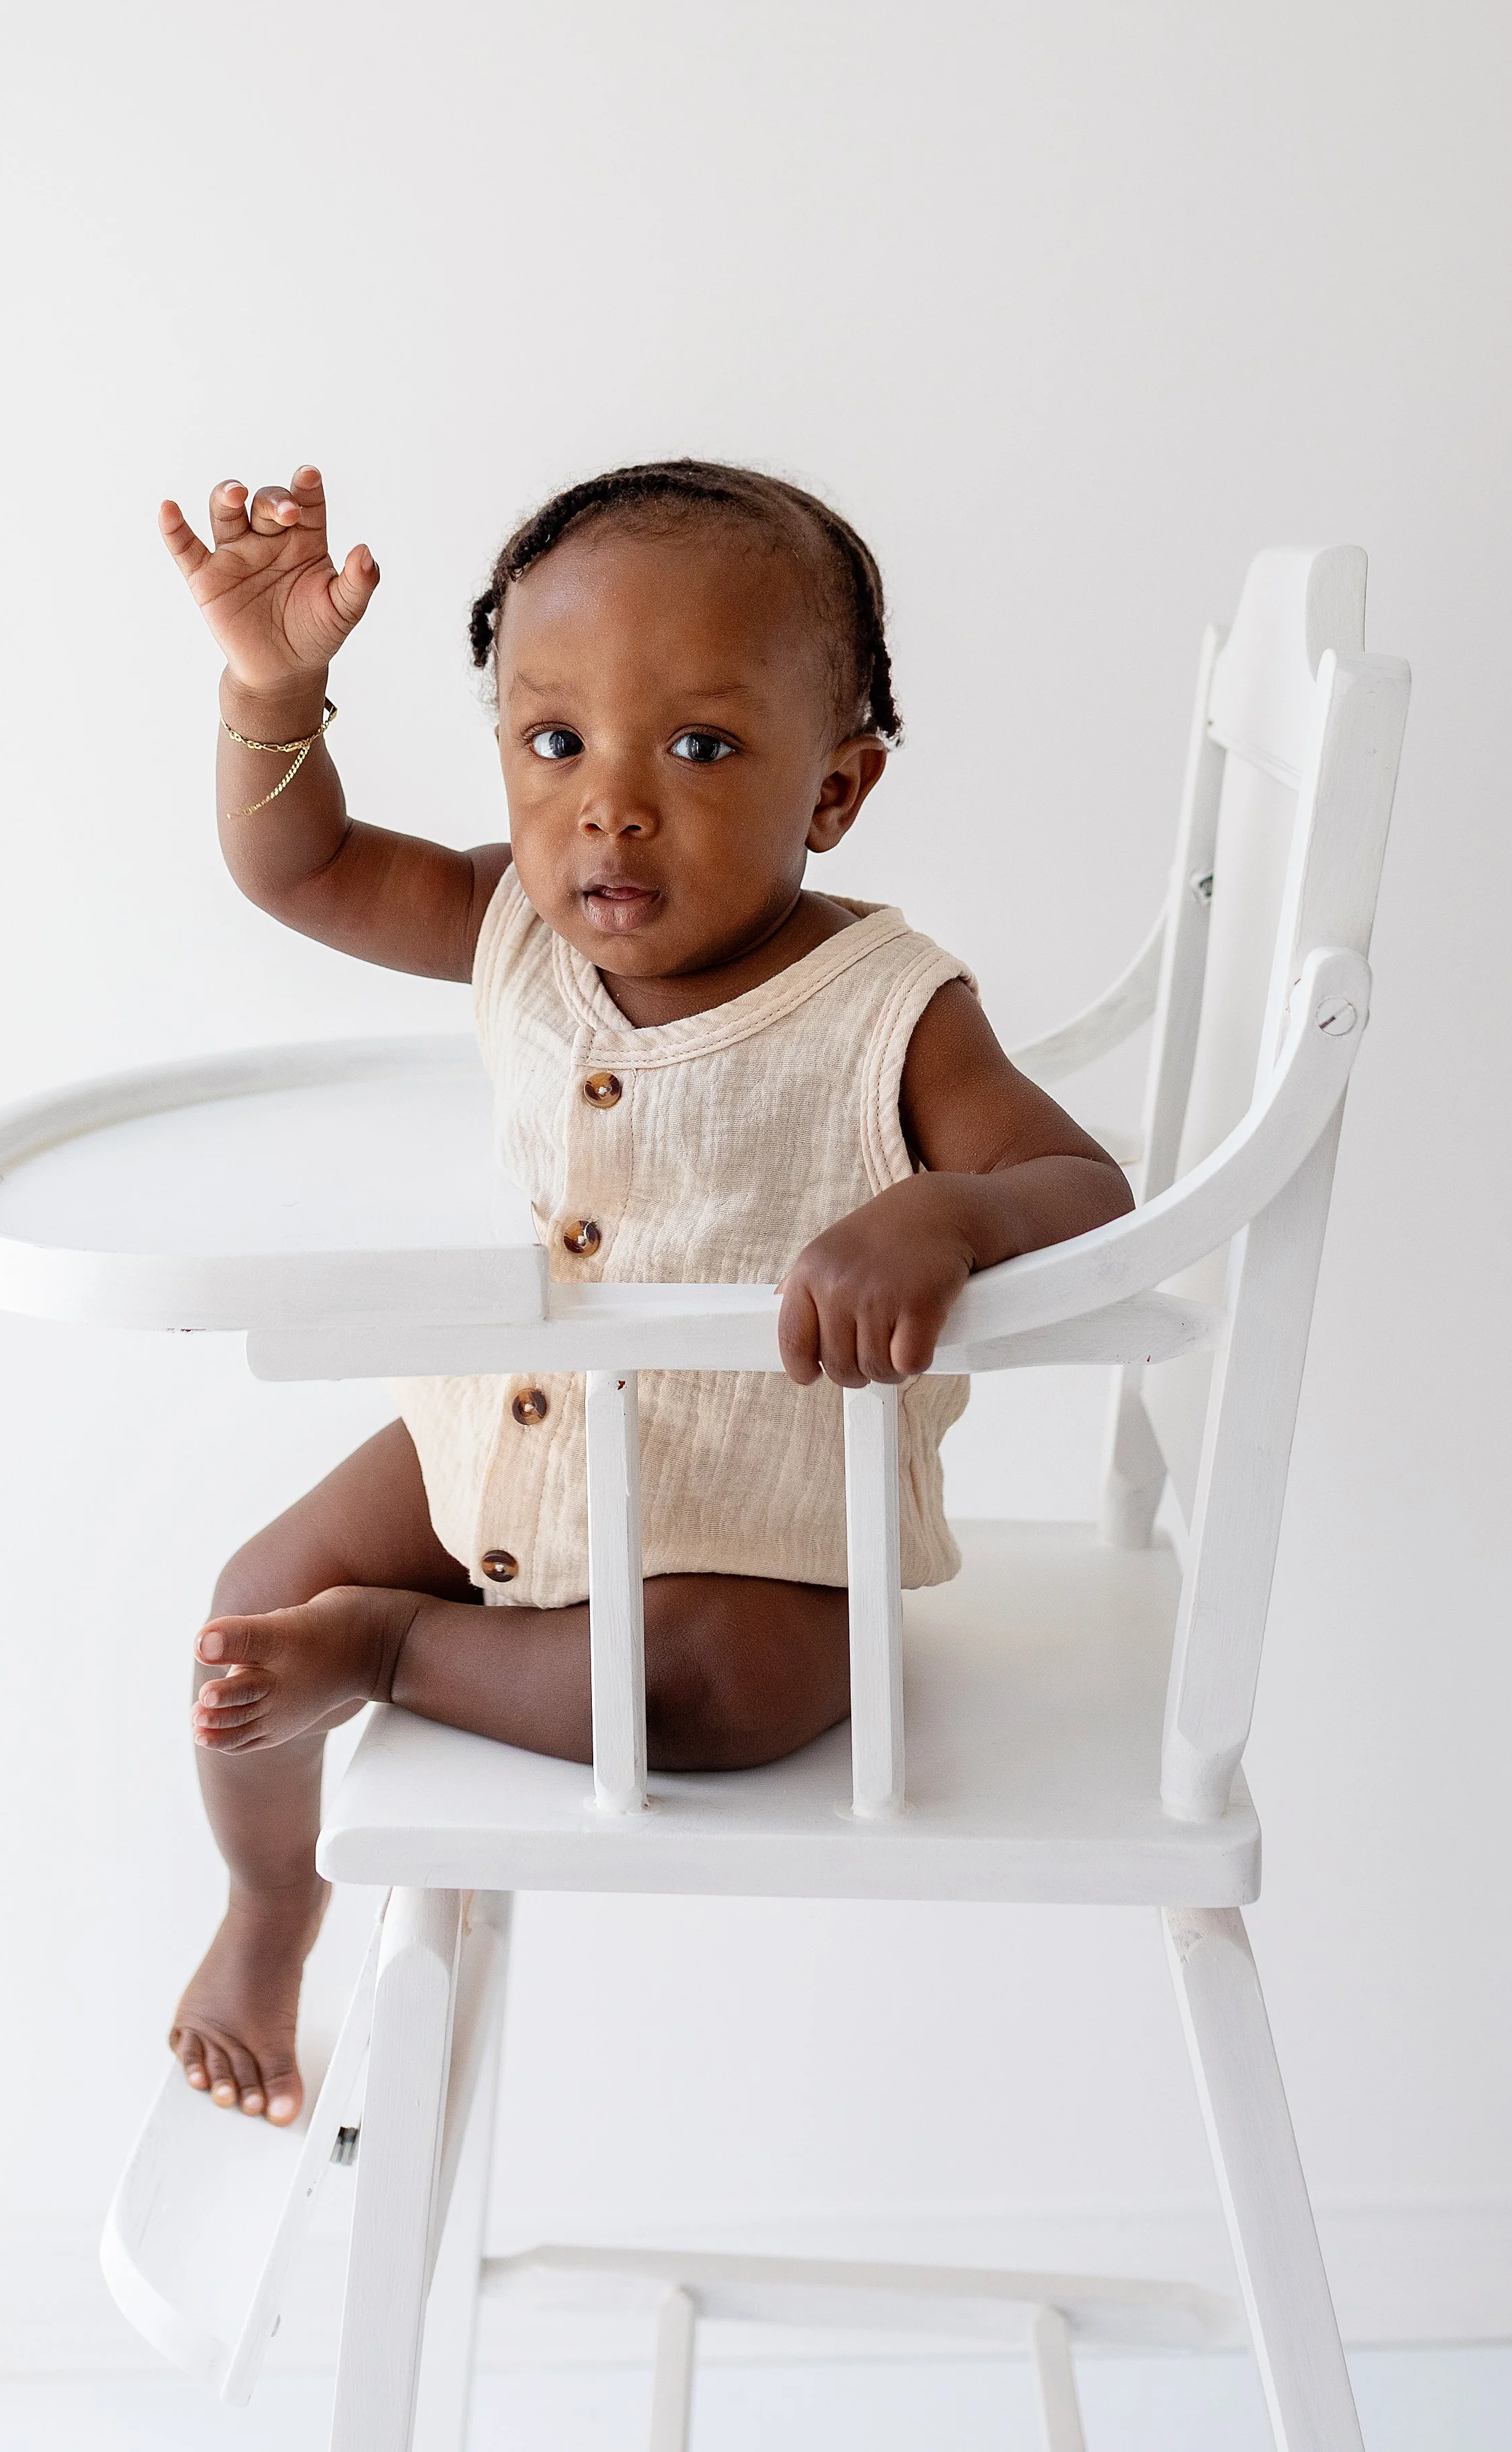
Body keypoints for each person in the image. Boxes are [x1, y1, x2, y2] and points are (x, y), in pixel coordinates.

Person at [156, 458, 1132, 2124]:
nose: (610, 804)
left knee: (705, 1692)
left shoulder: (887, 1004)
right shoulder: (509, 921)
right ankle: (265, 1912)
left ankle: (395, 1648)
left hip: (764, 1515)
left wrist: (944, 1216)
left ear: (836, 789)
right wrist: (273, 686)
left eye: (698, 747)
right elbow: (299, 868)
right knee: (246, 1611)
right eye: (556, 744)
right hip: (514, 1424)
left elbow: (1084, 1189)